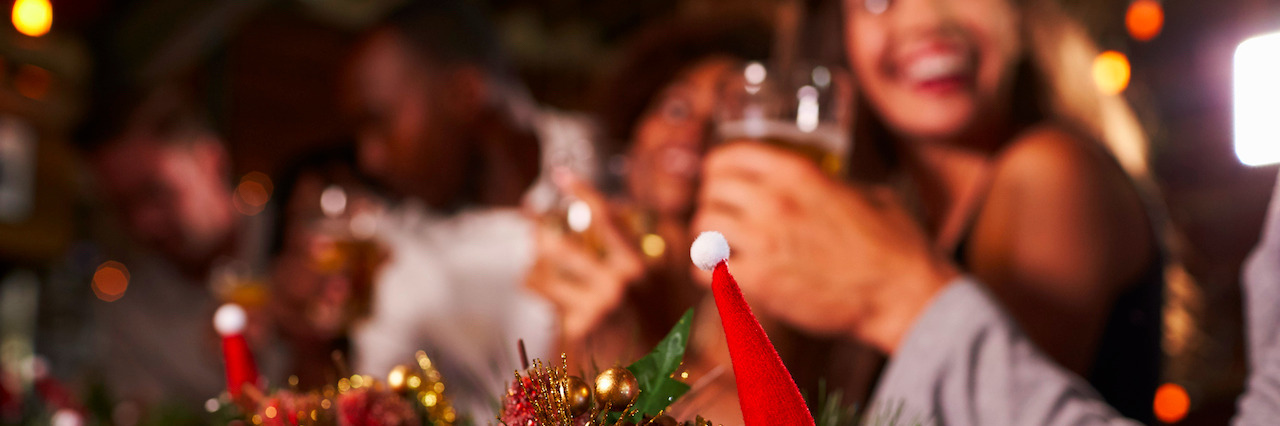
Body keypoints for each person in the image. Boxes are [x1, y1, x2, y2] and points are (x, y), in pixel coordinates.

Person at [693, 0, 1164, 420]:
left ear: (1019, 14)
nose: (924, 18)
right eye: (877, 3)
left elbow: (983, 407)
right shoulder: (898, 217)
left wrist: (885, 290)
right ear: (842, 42)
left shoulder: (1054, 168)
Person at [341, 0, 595, 418]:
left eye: (378, 121)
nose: (369, 158)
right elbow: (378, 399)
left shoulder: (612, 168)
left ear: (465, 93)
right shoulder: (397, 248)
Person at [73, 83, 283, 416]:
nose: (142, 223)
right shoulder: (131, 314)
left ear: (211, 161)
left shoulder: (294, 240)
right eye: (122, 206)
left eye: (154, 192)